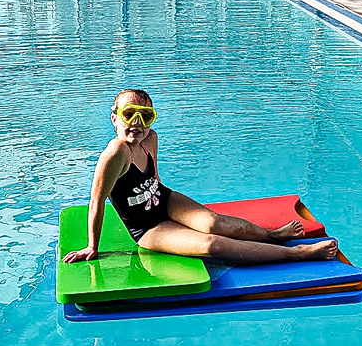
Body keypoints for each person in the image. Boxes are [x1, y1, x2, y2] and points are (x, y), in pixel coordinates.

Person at [62, 89, 339, 264]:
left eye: (145, 116)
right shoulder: (115, 153)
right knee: (210, 244)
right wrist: (92, 246)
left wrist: (177, 212)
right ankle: (297, 254)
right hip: (147, 229)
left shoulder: (150, 138)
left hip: (164, 201)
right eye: (129, 114)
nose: (137, 123)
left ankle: (271, 236)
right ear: (114, 118)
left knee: (215, 223)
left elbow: (155, 179)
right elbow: (96, 200)